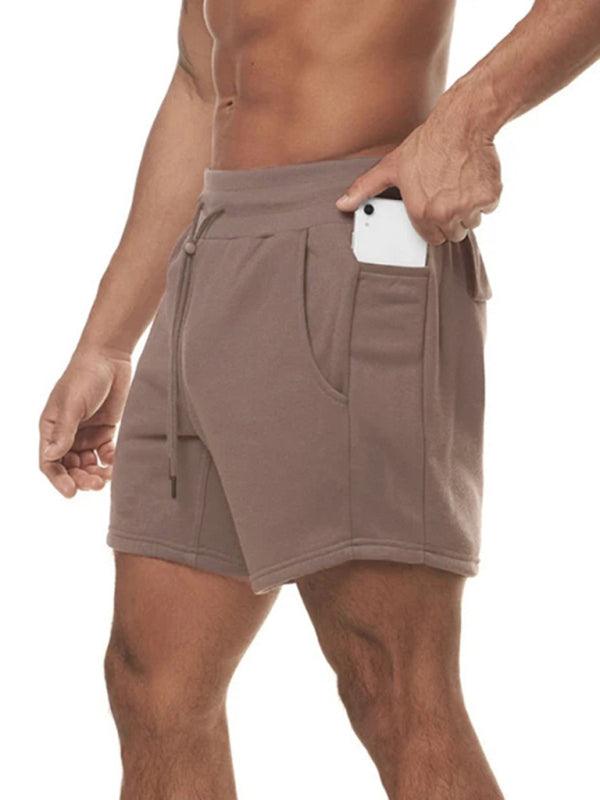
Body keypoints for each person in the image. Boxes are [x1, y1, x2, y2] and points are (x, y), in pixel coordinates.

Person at [39, 1, 600, 797]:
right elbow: (201, 82)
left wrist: (466, 119)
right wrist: (106, 342)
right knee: (153, 683)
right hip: (209, 252)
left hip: (354, 234)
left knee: (390, 685)